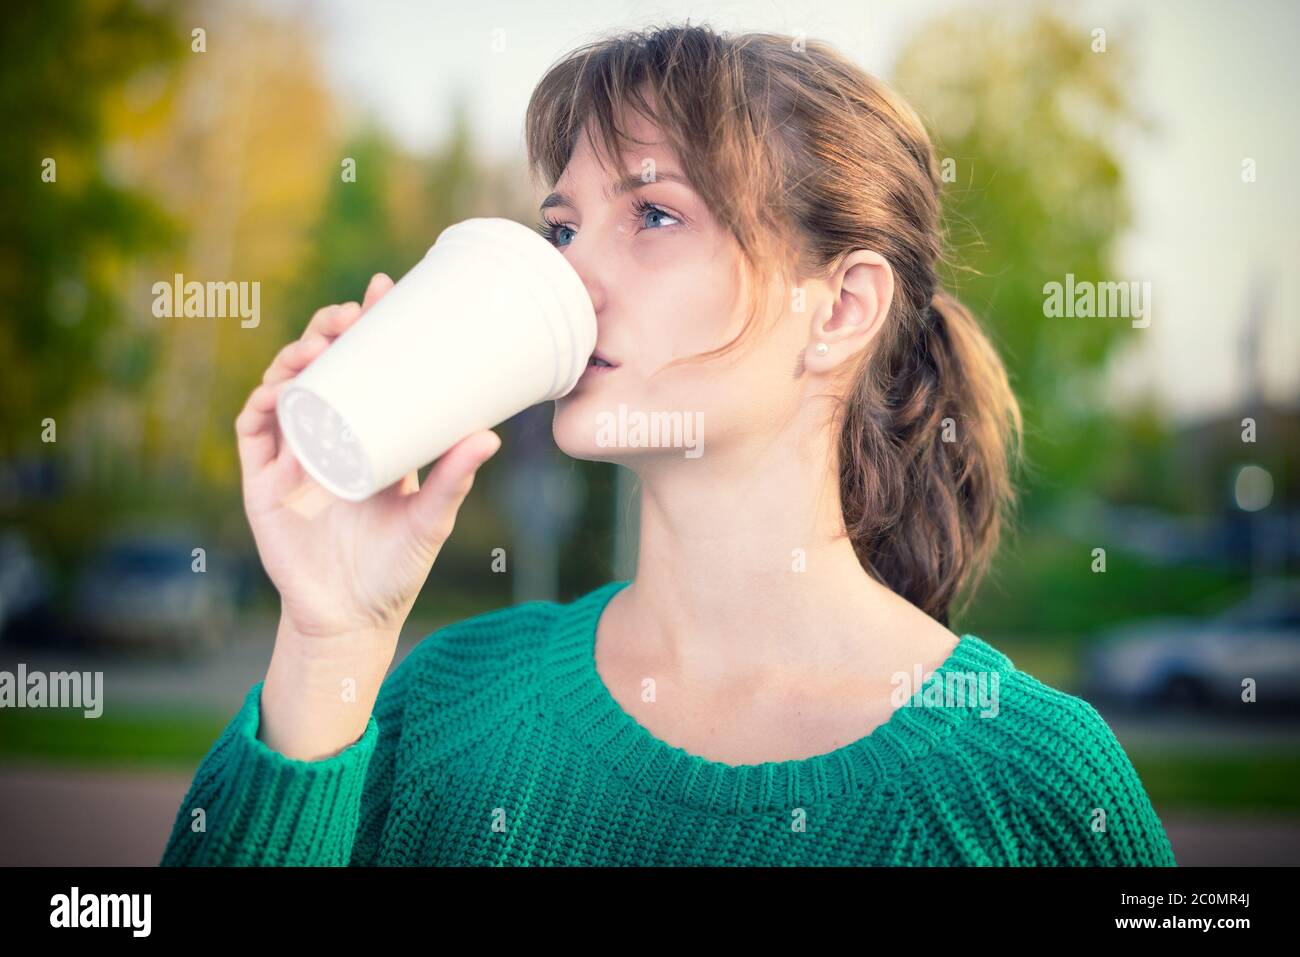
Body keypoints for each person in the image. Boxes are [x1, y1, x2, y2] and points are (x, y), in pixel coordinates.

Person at [161, 23, 1176, 866]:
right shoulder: (445, 706)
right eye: (562, 228)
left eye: (653, 213)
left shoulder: (1031, 787)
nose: (573, 279)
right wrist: (327, 641)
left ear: (838, 310)